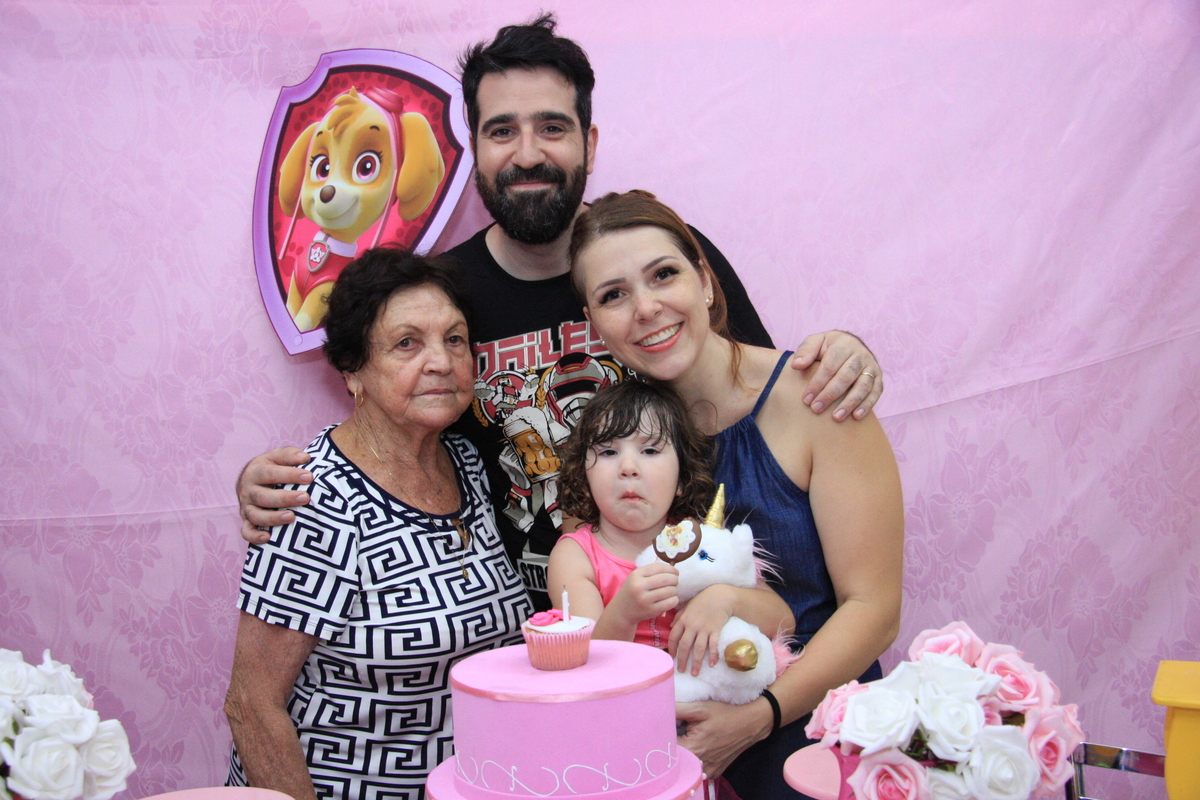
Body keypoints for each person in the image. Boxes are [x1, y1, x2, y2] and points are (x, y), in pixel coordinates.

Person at [236, 15, 886, 610]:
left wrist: (841, 351)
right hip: (541, 635)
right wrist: (284, 484)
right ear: (475, 147)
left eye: (551, 127)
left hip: (703, 608)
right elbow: (389, 432)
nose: (527, 154)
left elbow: (757, 397)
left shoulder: (660, 261)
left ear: (588, 143)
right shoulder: (445, 297)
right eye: (502, 131)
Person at [569, 190, 904, 800]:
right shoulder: (616, 441)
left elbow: (874, 609)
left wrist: (759, 718)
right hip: (674, 751)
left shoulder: (818, 397)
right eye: (613, 295)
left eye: (663, 274)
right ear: (594, 323)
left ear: (704, 281)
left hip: (822, 735)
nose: (645, 308)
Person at [223, 248, 531, 800]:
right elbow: (251, 703)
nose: (440, 362)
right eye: (406, 343)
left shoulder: (467, 461)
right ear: (352, 369)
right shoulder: (314, 498)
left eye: (454, 339)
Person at [548, 379, 794, 670]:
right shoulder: (575, 556)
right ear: (583, 478)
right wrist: (624, 614)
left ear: (682, 479)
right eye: (609, 452)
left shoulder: (701, 541)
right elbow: (587, 665)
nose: (628, 468)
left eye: (650, 451)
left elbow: (783, 620)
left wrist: (724, 599)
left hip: (709, 691)